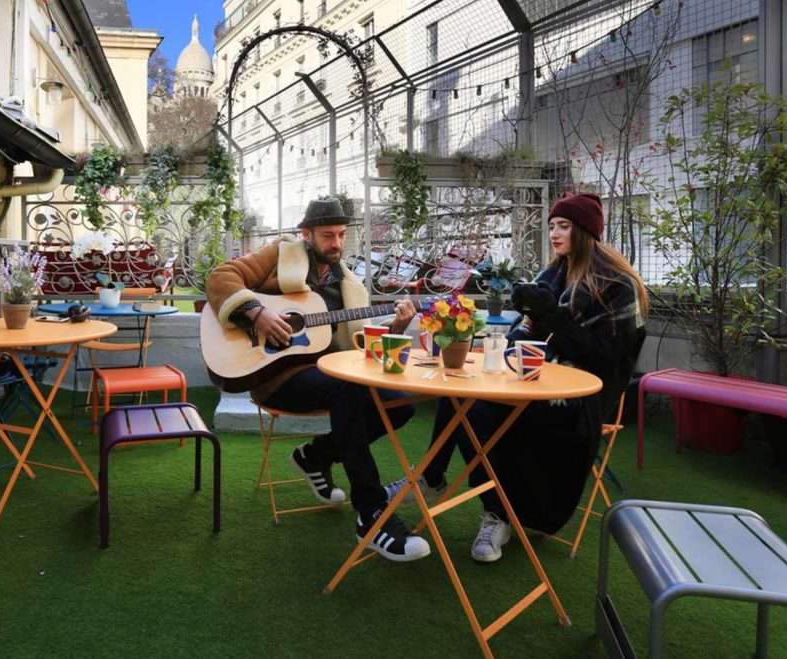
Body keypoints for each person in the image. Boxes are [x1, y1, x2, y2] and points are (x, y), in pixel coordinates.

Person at [388, 192, 647, 562]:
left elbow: (602, 357)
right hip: (530, 382)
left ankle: (484, 507)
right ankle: (449, 487)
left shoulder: (617, 286)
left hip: (581, 398)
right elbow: (522, 336)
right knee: (458, 387)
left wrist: (548, 317)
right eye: (552, 226)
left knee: (474, 411)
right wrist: (514, 337)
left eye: (564, 226)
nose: (554, 234)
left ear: (586, 232)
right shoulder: (553, 275)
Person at [205, 198, 430, 561]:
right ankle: (372, 513)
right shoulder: (280, 254)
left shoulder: (348, 285)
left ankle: (315, 456)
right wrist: (258, 313)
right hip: (275, 375)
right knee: (348, 389)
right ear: (306, 234)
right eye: (328, 235)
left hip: (327, 375)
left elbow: (357, 345)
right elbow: (220, 278)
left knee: (400, 404)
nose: (337, 243)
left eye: (341, 235)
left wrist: (398, 328)